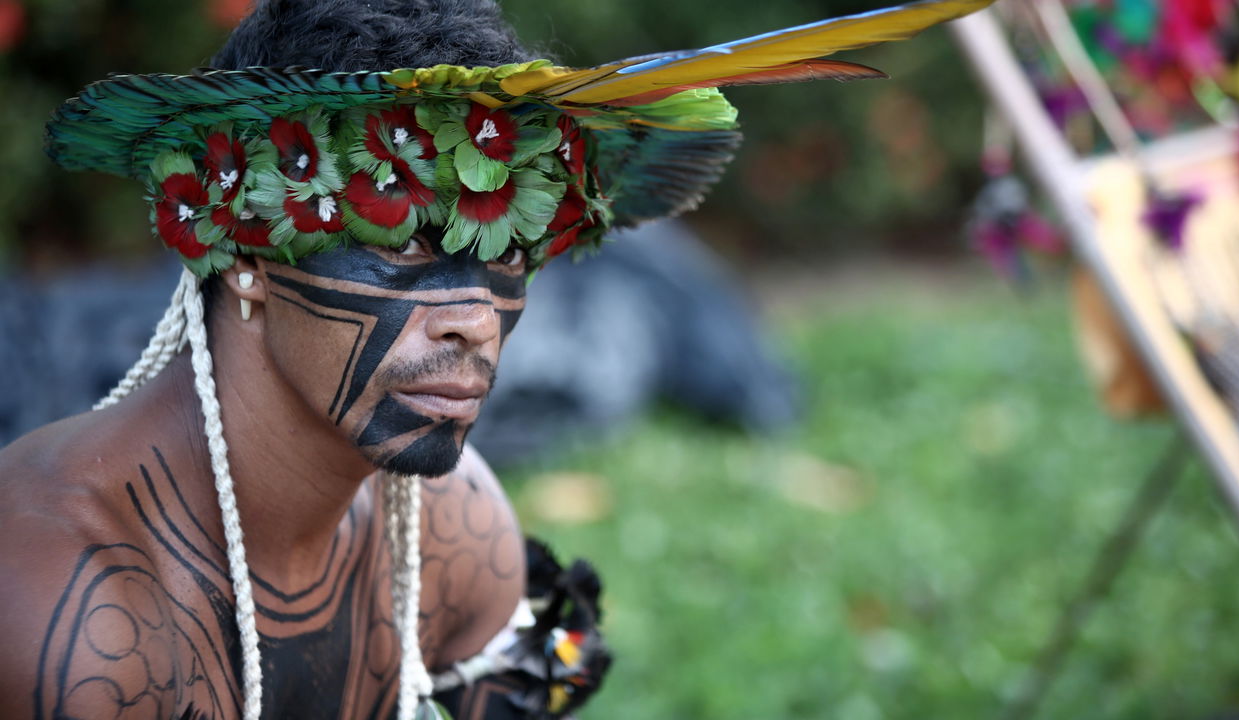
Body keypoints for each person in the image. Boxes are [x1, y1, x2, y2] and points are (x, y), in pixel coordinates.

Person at [0, 0, 994, 717]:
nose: (474, 318)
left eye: (507, 249)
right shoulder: (72, 609)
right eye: (401, 244)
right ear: (248, 250)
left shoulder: (453, 526)